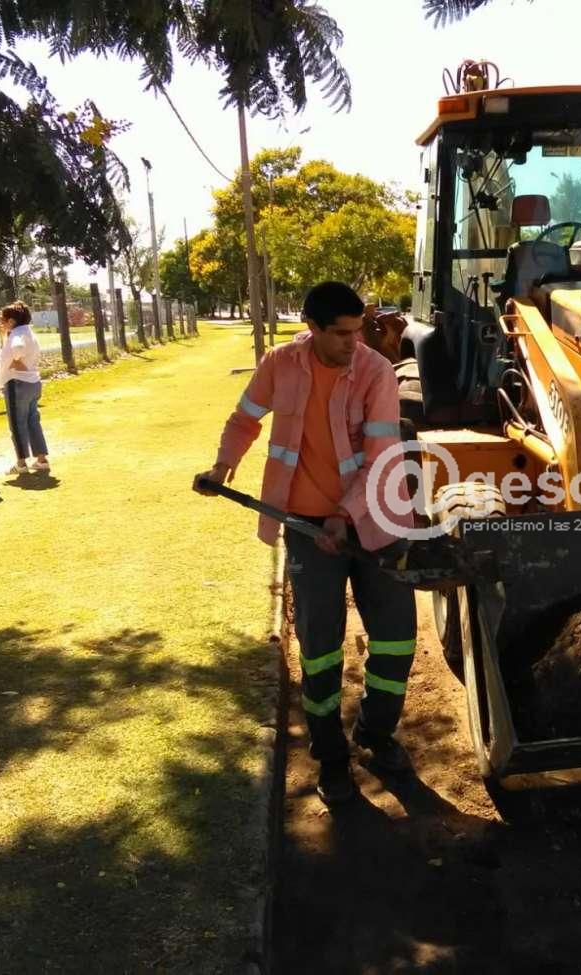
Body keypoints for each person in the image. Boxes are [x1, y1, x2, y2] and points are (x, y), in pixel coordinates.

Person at [196, 282, 416, 805]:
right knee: (319, 648)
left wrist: (343, 515)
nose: (353, 342)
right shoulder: (280, 365)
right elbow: (244, 418)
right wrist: (222, 467)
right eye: (341, 333)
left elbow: (380, 456)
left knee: (395, 638)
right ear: (311, 328)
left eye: (358, 330)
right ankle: (331, 757)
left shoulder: (375, 371)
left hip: (375, 518)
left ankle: (375, 732)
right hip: (305, 527)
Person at [0, 301, 50, 475]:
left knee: (17, 424)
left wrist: (16, 362)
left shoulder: (17, 334)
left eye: (3, 320)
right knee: (33, 421)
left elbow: (16, 348)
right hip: (32, 382)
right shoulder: (27, 332)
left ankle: (21, 463)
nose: (0, 323)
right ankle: (41, 459)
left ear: (11, 321)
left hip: (18, 383)